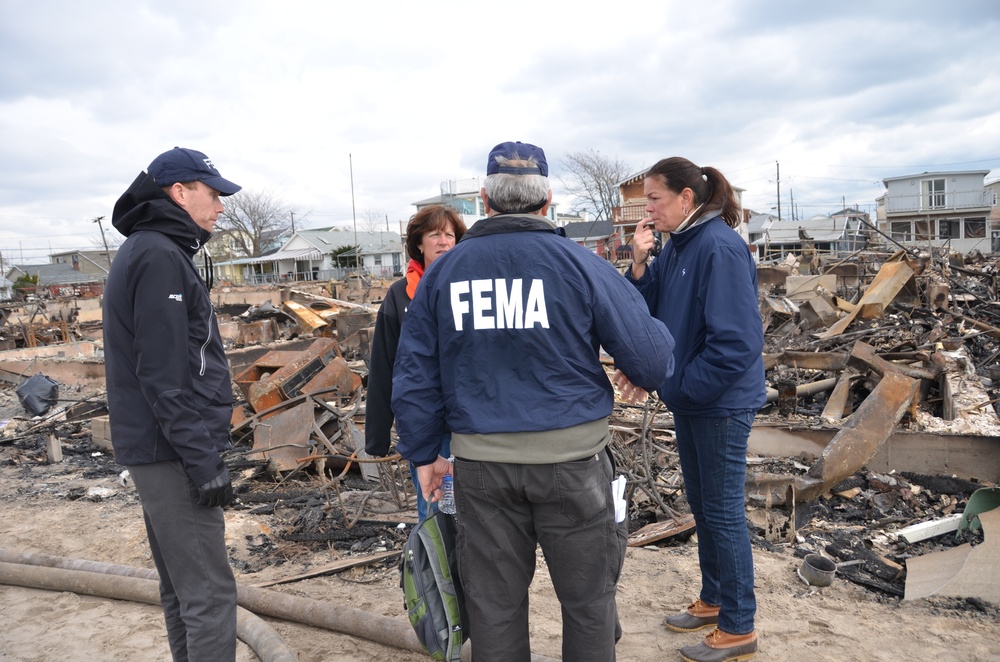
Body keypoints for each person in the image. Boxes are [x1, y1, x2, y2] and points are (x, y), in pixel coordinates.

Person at [391, 141, 676, 662]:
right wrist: (638, 367)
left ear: (484, 199)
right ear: (547, 202)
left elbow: (414, 374)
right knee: (589, 605)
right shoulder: (579, 264)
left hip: (480, 470)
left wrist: (424, 453)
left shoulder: (443, 275)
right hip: (572, 464)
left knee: (494, 610)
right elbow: (654, 359)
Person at [617, 156, 766, 662]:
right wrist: (638, 262)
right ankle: (714, 598)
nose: (649, 210)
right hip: (694, 400)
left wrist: (676, 386)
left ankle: (739, 625)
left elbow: (737, 345)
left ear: (686, 199)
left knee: (723, 512)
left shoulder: (719, 247)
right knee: (703, 507)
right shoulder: (680, 245)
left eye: (655, 200)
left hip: (720, 402)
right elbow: (645, 306)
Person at [103, 147, 241, 662]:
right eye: (214, 194)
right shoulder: (159, 257)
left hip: (158, 448)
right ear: (179, 193)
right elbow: (162, 376)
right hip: (174, 453)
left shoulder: (150, 250)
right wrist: (203, 461)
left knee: (184, 590)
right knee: (209, 594)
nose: (221, 207)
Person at [364, 204, 467, 520]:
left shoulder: (469, 290)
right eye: (434, 234)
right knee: (435, 514)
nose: (443, 241)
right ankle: (435, 568)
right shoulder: (400, 296)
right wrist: (377, 436)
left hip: (470, 424)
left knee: (474, 517)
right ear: (418, 244)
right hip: (427, 428)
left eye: (450, 235)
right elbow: (385, 366)